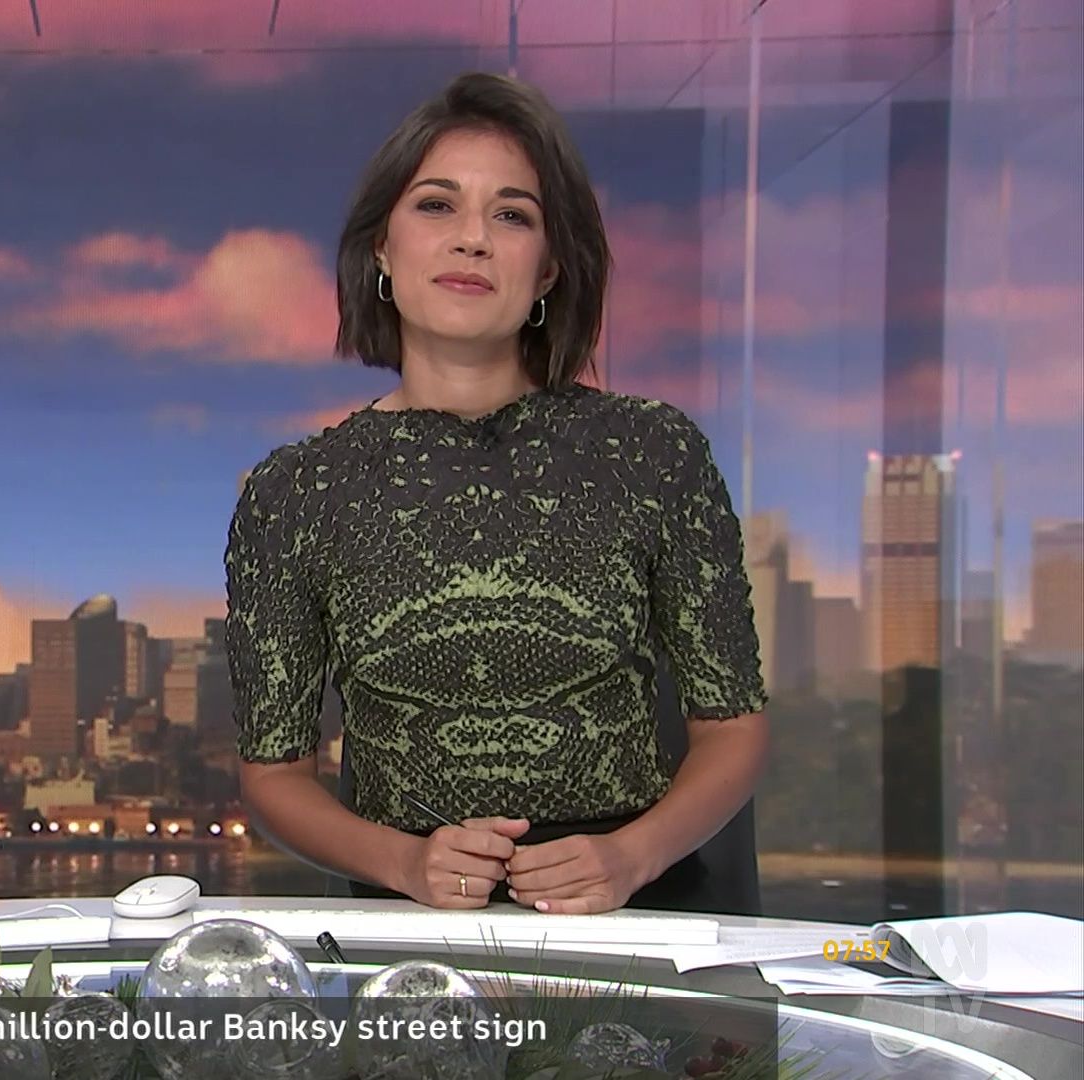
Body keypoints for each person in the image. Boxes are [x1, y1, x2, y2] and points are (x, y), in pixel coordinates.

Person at [226, 73, 768, 915]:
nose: (472, 239)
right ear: (381, 248)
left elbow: (733, 729)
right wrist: (408, 864)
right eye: (436, 205)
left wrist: (629, 858)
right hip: (408, 918)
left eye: (512, 215)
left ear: (548, 269)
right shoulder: (295, 492)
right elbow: (274, 773)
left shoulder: (652, 452)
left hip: (631, 910)